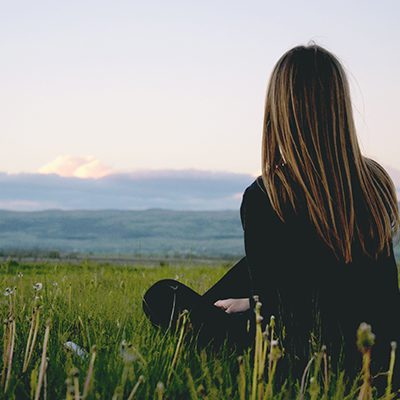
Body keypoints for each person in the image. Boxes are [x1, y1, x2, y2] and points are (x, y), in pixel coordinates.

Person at [142, 43, 400, 387]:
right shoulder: (376, 181)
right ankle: (223, 306)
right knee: (251, 267)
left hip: (303, 359)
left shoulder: (268, 195)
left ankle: (204, 319)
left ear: (279, 109)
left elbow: (283, 319)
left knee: (162, 296)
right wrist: (254, 299)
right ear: (340, 106)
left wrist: (253, 305)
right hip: (382, 353)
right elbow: (354, 284)